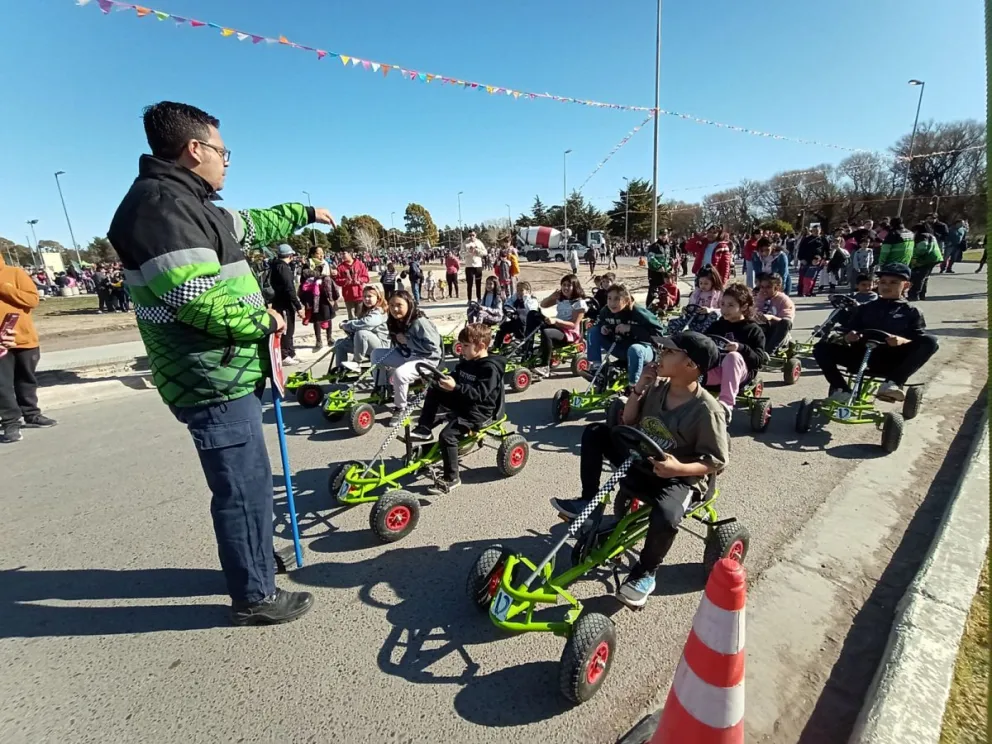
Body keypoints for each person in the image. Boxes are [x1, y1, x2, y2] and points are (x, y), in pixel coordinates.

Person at [107, 100, 334, 625]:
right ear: (195, 149)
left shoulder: (192, 202)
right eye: (222, 151)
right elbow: (195, 300)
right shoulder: (160, 208)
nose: (226, 161)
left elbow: (251, 223)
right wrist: (266, 321)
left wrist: (303, 213)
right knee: (243, 487)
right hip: (210, 376)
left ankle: (253, 561)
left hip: (227, 371)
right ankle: (254, 594)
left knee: (251, 481)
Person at [550, 332, 728, 608]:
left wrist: (678, 467)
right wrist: (639, 388)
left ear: (690, 364)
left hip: (676, 477)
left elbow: (716, 461)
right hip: (642, 459)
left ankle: (646, 571)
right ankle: (589, 501)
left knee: (666, 515)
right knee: (596, 432)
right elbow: (629, 418)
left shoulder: (707, 410)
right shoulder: (658, 388)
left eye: (669, 352)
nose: (660, 354)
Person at [813, 263, 938, 403]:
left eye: (893, 282)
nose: (886, 286)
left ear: (906, 285)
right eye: (883, 282)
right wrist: (849, 337)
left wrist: (902, 340)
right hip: (861, 356)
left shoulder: (912, 311)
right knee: (821, 348)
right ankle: (841, 390)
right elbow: (849, 330)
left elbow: (918, 338)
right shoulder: (865, 308)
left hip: (892, 359)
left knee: (931, 341)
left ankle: (893, 383)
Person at [407, 323, 507, 494]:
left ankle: (452, 478)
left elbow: (479, 394)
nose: (462, 349)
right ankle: (424, 427)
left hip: (478, 411)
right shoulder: (467, 361)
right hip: (464, 401)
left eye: (466, 346)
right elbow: (456, 376)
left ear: (481, 346)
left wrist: (455, 387)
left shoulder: (489, 368)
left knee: (447, 436)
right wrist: (441, 380)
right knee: (434, 390)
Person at [0, 253, 57, 443]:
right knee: (2, 385)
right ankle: (10, 423)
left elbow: (32, 300)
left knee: (26, 380)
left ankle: (32, 415)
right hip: (1, 344)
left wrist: (4, 288)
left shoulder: (15, 273)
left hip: (25, 339)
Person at [369, 289, 443, 425]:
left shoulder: (420, 322)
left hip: (426, 359)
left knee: (400, 374)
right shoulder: (395, 321)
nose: (395, 309)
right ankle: (382, 387)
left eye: (399, 305)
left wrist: (408, 341)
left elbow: (434, 348)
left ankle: (400, 408)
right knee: (376, 354)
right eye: (392, 305)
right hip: (407, 355)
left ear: (409, 304)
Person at [705, 283, 766, 420]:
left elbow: (758, 360)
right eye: (722, 304)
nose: (724, 309)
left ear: (743, 307)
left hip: (741, 372)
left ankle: (726, 405)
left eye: (730, 305)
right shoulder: (716, 326)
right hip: (716, 370)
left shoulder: (753, 330)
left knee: (732, 357)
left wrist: (741, 348)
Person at [586, 283, 664, 387]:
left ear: (626, 300)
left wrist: (631, 328)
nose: (612, 303)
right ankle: (596, 368)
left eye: (617, 299)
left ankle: (634, 385)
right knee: (593, 331)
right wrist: (604, 327)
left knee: (635, 349)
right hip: (620, 347)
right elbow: (600, 323)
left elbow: (658, 333)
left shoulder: (637, 311)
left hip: (644, 349)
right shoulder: (606, 311)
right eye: (609, 298)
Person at [534, 274, 588, 377]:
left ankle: (545, 366)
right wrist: (552, 296)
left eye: (569, 285)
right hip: (558, 328)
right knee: (533, 315)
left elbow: (573, 325)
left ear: (574, 287)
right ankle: (526, 349)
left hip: (569, 334)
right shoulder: (561, 298)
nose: (565, 288)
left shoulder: (579, 303)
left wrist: (556, 321)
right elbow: (543, 305)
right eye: (564, 285)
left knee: (547, 332)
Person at [333, 285, 389, 370]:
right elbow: (359, 322)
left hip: (382, 347)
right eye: (364, 296)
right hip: (367, 345)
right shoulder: (366, 311)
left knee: (362, 333)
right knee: (340, 343)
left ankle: (357, 362)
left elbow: (365, 324)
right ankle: (340, 369)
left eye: (370, 296)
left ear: (378, 298)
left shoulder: (379, 311)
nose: (366, 299)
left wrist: (347, 325)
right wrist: (348, 325)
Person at [269, 244, 304, 365]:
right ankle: (284, 355)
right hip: (284, 303)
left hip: (280, 302)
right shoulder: (283, 268)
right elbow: (289, 289)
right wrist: (298, 306)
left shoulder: (275, 266)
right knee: (286, 330)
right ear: (290, 255)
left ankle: (290, 352)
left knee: (290, 329)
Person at [300, 263, 338, 352]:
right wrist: (315, 279)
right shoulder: (308, 264)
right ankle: (318, 340)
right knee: (317, 319)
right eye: (318, 254)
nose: (320, 256)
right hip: (312, 298)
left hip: (324, 297)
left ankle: (329, 337)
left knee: (328, 317)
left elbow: (330, 277)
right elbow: (304, 276)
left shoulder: (325, 264)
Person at [754, 273, 795, 353]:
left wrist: (772, 318)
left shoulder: (784, 300)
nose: (764, 290)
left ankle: (768, 352)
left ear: (777, 288)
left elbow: (787, 321)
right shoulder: (758, 297)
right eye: (762, 287)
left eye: (768, 287)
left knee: (786, 323)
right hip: (761, 330)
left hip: (776, 333)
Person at [493, 281, 540, 352]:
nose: (519, 292)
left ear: (527, 291)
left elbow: (531, 311)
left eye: (521, 290)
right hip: (516, 320)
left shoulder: (532, 300)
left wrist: (525, 298)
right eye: (518, 290)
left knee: (520, 319)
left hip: (527, 324)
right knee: (503, 327)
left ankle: (521, 341)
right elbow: (508, 304)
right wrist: (509, 311)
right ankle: (497, 345)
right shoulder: (515, 298)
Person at [908, 223, 943, 301]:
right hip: (934, 258)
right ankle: (922, 295)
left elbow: (922, 248)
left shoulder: (922, 236)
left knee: (918, 277)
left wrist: (914, 255)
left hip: (926, 259)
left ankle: (914, 295)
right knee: (925, 277)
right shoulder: (930, 235)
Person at [335, 250, 371, 319]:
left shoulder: (360, 264)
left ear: (350, 254)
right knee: (351, 316)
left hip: (360, 294)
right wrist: (345, 281)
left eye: (344, 254)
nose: (342, 256)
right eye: (341, 254)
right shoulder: (340, 267)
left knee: (361, 316)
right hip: (348, 295)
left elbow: (366, 278)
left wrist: (359, 280)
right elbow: (337, 280)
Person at [462, 231, 488, 303]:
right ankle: (469, 299)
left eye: (473, 235)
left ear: (475, 235)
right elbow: (461, 253)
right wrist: (468, 252)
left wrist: (478, 251)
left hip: (478, 265)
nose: (472, 237)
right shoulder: (465, 243)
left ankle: (479, 298)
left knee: (478, 283)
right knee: (469, 284)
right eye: (470, 235)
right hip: (469, 266)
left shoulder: (479, 242)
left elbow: (485, 252)